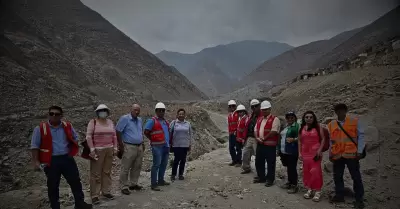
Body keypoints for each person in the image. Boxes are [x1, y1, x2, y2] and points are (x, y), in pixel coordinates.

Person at [30, 106, 92, 209]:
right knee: (53, 186)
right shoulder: (40, 128)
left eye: (57, 114)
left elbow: (75, 137)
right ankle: (55, 207)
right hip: (51, 161)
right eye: (52, 114)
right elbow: (35, 146)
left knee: (75, 181)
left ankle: (80, 204)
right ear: (48, 114)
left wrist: (73, 149)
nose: (54, 116)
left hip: (66, 158)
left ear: (61, 116)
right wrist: (36, 161)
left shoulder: (67, 125)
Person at [328, 103, 365, 209]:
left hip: (351, 154)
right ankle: (339, 195)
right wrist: (330, 153)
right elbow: (331, 141)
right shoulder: (331, 124)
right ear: (335, 112)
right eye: (337, 110)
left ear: (345, 111)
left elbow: (361, 136)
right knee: (337, 176)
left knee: (356, 177)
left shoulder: (354, 122)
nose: (340, 112)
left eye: (342, 110)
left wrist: (360, 150)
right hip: (337, 155)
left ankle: (359, 199)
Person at [85, 104, 117, 204]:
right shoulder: (93, 122)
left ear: (107, 112)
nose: (103, 112)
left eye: (105, 110)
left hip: (109, 149)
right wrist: (92, 149)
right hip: (97, 150)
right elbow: (88, 137)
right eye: (101, 110)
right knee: (95, 173)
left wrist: (115, 147)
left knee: (107, 171)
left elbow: (114, 136)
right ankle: (94, 195)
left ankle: (106, 191)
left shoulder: (110, 122)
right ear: (97, 112)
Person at [115, 104, 145, 195]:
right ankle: (124, 186)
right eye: (135, 110)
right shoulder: (125, 118)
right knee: (126, 167)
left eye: (138, 110)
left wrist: (142, 142)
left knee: (137, 166)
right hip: (129, 146)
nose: (137, 112)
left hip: (139, 146)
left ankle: (133, 183)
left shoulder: (139, 120)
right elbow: (118, 130)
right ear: (131, 110)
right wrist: (120, 145)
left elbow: (140, 131)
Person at [298, 111, 325, 202]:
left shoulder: (318, 127)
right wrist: (299, 153)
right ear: (304, 118)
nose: (309, 119)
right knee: (307, 171)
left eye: (311, 117)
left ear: (314, 118)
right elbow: (300, 141)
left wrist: (320, 150)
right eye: (307, 117)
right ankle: (309, 189)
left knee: (315, 171)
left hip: (315, 153)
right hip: (305, 153)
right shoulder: (302, 127)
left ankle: (318, 191)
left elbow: (323, 139)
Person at [144, 102, 170, 191]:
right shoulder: (152, 121)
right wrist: (152, 139)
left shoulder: (165, 122)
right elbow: (146, 131)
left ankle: (161, 180)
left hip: (166, 146)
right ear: (156, 111)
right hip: (157, 147)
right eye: (160, 110)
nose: (162, 112)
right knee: (156, 165)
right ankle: (153, 184)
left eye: (163, 110)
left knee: (164, 164)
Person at [254, 100, 281, 187]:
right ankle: (261, 177)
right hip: (260, 144)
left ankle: (270, 179)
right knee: (259, 161)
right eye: (263, 109)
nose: (264, 111)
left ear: (270, 109)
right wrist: (257, 138)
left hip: (270, 145)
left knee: (270, 163)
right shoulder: (259, 119)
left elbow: (274, 131)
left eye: (266, 109)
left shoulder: (275, 119)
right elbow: (255, 129)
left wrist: (264, 139)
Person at [277, 111, 300, 194]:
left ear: (295, 118)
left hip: (292, 151)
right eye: (288, 117)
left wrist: (294, 139)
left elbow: (301, 137)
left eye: (292, 117)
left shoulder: (297, 126)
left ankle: (294, 185)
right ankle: (289, 182)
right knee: (289, 168)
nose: (290, 119)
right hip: (284, 151)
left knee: (292, 168)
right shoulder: (286, 127)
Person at [169, 108, 192, 181]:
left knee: (183, 160)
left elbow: (190, 134)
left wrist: (190, 143)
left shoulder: (188, 124)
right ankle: (173, 174)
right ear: (177, 115)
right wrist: (170, 143)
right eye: (180, 114)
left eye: (182, 114)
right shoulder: (174, 123)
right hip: (176, 145)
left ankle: (181, 174)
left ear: (185, 115)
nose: (181, 115)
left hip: (185, 145)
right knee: (176, 160)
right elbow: (170, 133)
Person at [241, 99, 262, 174]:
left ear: (259, 106)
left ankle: (260, 173)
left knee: (258, 156)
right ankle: (246, 168)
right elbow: (246, 127)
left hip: (257, 138)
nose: (254, 108)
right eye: (252, 107)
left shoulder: (262, 116)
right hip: (249, 137)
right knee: (245, 153)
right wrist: (244, 138)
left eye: (256, 106)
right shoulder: (251, 116)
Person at [227, 100, 240, 166]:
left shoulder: (238, 114)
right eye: (230, 106)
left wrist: (237, 132)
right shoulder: (229, 115)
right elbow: (229, 125)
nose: (232, 107)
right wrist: (229, 133)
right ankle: (234, 160)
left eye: (233, 106)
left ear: (235, 106)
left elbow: (239, 124)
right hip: (231, 134)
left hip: (236, 133)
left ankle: (239, 161)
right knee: (231, 148)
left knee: (238, 148)